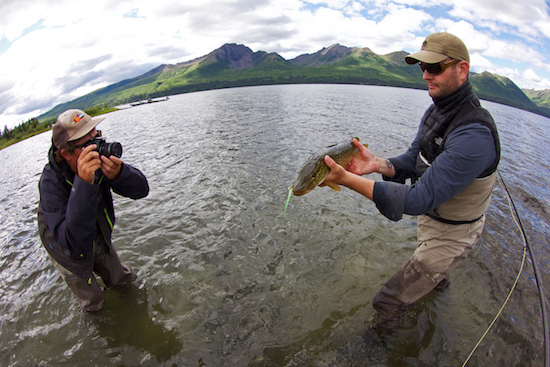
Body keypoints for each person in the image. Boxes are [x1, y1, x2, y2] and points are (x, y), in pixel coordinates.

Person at [322, 32, 500, 333]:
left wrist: (347, 180)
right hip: (434, 219)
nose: (427, 76)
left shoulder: (474, 137)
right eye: (423, 68)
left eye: (435, 68)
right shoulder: (437, 110)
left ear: (462, 69)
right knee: (432, 275)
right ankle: (438, 285)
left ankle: (375, 348)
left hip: (453, 233)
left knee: (387, 301)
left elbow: (417, 199)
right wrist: (379, 164)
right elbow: (413, 158)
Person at [37, 109, 149, 311]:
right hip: (65, 248)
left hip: (95, 230)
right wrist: (84, 183)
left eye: (96, 136)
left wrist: (119, 174)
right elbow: (74, 245)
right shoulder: (49, 184)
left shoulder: (97, 162)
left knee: (120, 279)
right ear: (66, 153)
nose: (97, 146)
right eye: (88, 144)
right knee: (93, 301)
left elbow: (142, 190)